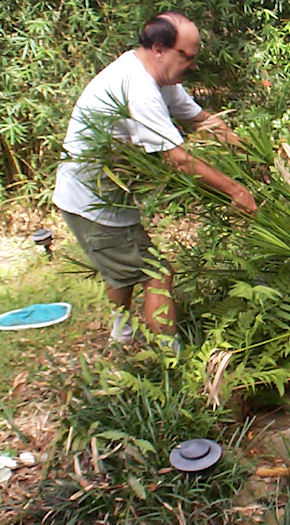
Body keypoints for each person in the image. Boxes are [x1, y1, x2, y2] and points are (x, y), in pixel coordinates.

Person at [52, 11, 255, 345]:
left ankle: (122, 333)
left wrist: (250, 154)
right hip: (93, 201)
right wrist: (236, 190)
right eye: (187, 56)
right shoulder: (139, 87)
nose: (192, 65)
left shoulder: (161, 78)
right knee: (157, 273)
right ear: (160, 48)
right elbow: (177, 159)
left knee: (122, 267)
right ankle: (171, 359)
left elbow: (201, 120)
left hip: (105, 195)